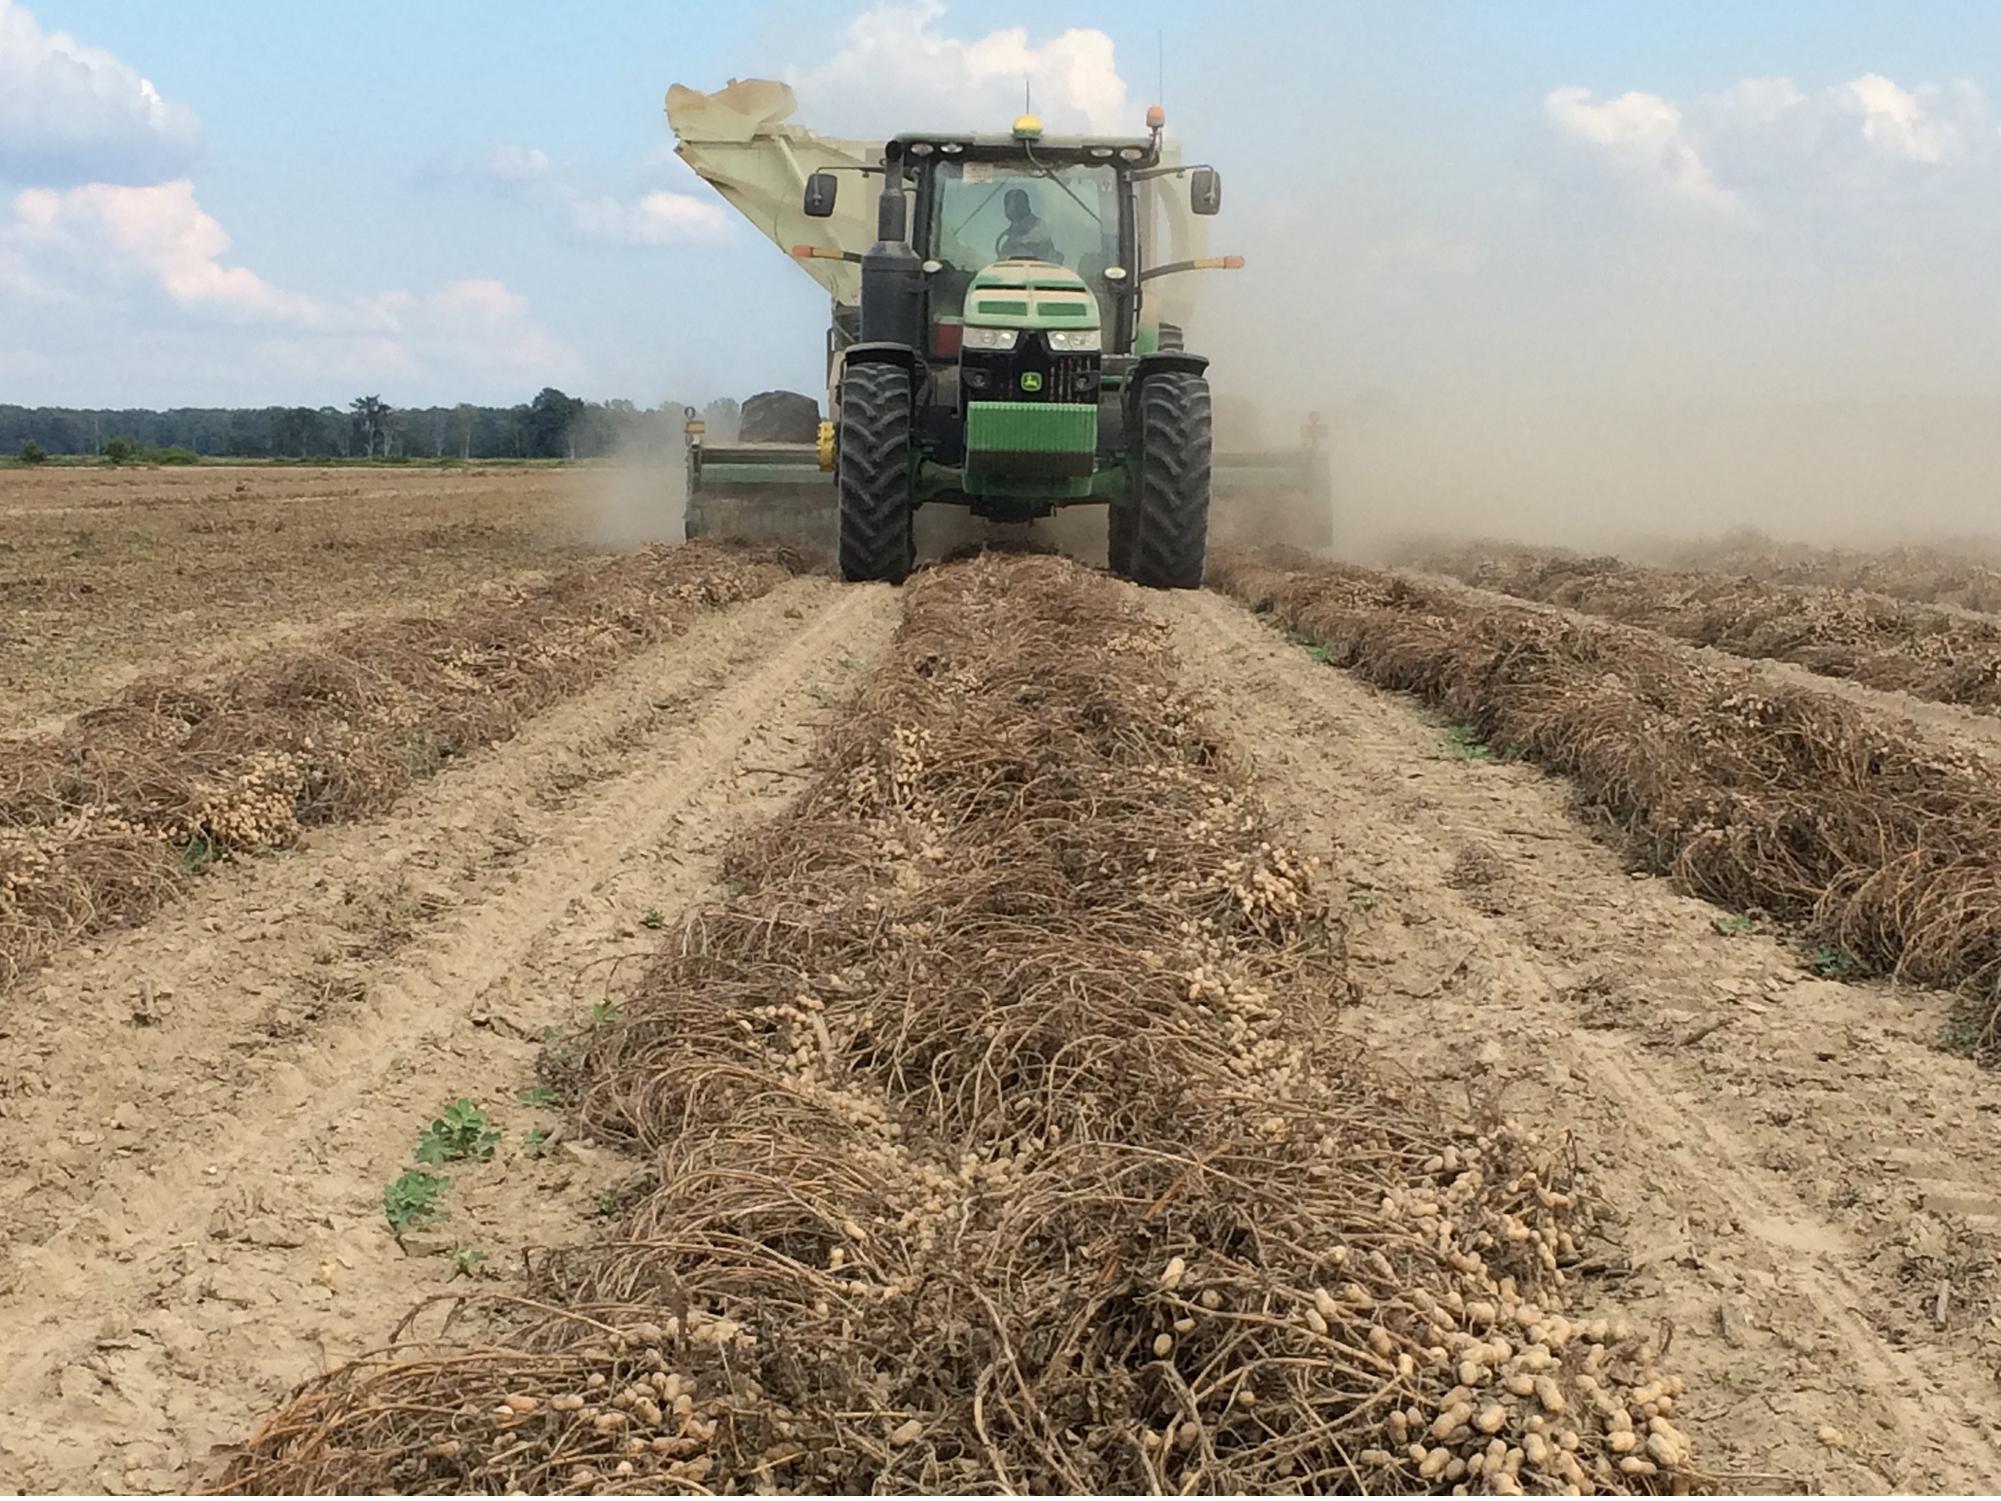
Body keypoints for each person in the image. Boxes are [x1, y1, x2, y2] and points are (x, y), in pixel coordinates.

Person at [997, 187, 1058, 262]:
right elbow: (1005, 254)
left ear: (1023, 205)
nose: (1010, 209)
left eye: (1015, 204)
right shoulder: (1013, 230)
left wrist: (1018, 241)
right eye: (1007, 204)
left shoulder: (1037, 225)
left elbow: (1034, 241)